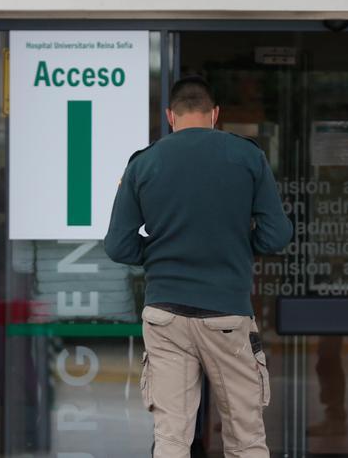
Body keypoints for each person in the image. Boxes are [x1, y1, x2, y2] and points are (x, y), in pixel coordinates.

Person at [105, 76, 293, 458]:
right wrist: (235, 247)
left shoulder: (143, 163)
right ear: (215, 115)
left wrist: (161, 252)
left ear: (170, 116)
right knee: (246, 438)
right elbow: (276, 236)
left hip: (165, 317)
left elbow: (119, 245)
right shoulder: (247, 156)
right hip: (226, 314)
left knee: (172, 439)